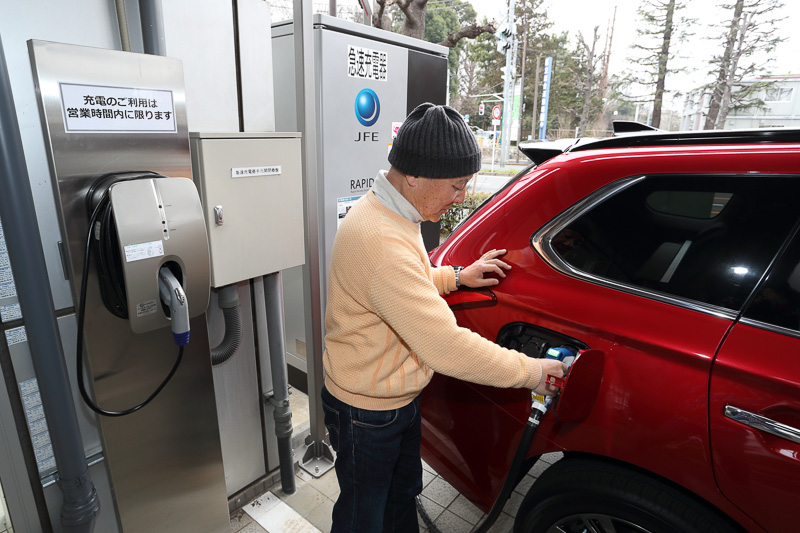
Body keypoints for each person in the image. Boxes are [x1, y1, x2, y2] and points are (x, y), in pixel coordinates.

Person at [321, 102, 567, 533]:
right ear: (415, 175)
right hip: (368, 411)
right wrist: (533, 372)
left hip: (391, 396)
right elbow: (447, 346)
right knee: (363, 517)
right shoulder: (380, 240)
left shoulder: (392, 212)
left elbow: (402, 284)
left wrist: (455, 276)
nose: (461, 197)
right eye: (457, 185)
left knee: (400, 499)